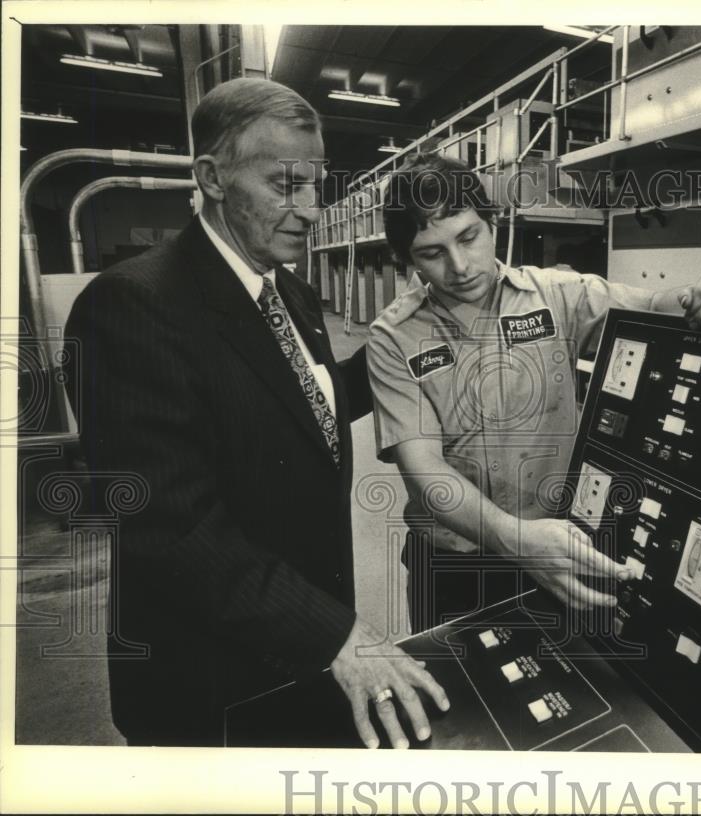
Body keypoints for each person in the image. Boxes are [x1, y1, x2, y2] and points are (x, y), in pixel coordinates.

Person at [64, 78, 447, 748]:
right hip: (209, 690)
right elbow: (169, 528)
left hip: (298, 657)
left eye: (315, 184)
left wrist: (400, 340)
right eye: (284, 185)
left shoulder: (289, 292)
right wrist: (337, 636)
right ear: (211, 178)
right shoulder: (133, 305)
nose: (309, 209)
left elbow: (306, 403)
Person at [366, 154, 701, 632]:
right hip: (453, 568)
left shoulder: (556, 296)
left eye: (469, 237)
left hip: (563, 549)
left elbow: (653, 307)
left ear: (491, 223)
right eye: (432, 253)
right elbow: (426, 470)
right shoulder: (394, 338)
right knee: (460, 699)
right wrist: (515, 540)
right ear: (407, 260)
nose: (460, 265)